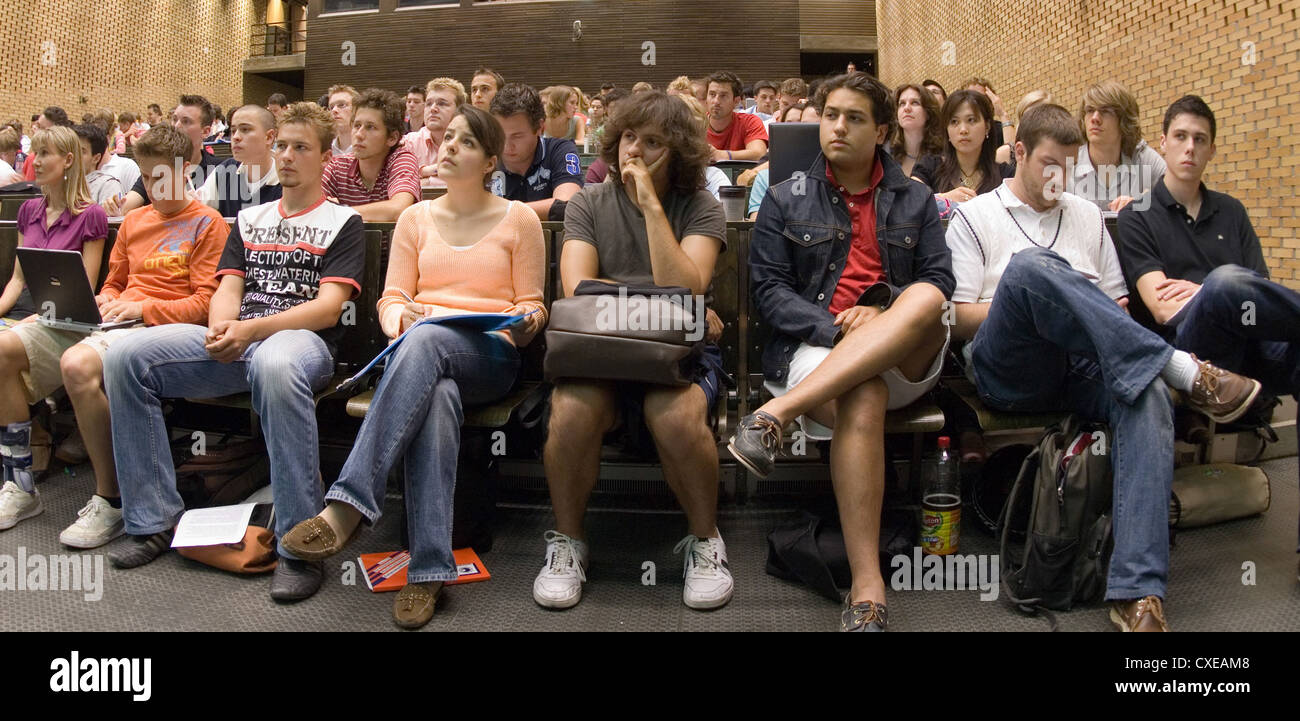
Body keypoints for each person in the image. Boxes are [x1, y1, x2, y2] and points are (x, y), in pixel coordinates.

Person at [945, 103, 1262, 632]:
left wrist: (1079, 308)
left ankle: (1137, 592)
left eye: (1070, 167)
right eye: (1049, 164)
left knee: (1146, 396)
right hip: (1010, 366)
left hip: (1088, 361)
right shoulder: (974, 216)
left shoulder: (1087, 215)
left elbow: (1117, 306)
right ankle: (1184, 369)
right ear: (1018, 152)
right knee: (1029, 270)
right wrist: (1043, 298)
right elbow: (955, 318)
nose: (1059, 179)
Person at [281, 105, 546, 628]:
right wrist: (403, 317)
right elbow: (392, 299)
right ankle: (427, 572)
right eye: (447, 139)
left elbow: (533, 305)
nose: (448, 148)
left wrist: (524, 321)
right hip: (423, 356)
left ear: (491, 159)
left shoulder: (519, 219)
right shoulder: (415, 218)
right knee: (437, 393)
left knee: (430, 345)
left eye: (466, 143)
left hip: (488, 355)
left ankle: (349, 505)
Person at [102, 101, 366, 602]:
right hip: (240, 340)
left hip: (301, 345)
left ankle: (297, 543)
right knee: (125, 357)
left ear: (326, 156)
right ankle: (153, 519)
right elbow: (228, 287)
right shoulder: (249, 218)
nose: (287, 156)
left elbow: (328, 309)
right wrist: (224, 326)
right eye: (282, 145)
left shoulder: (342, 221)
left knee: (273, 359)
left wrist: (250, 331)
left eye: (301, 147)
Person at [730, 73, 953, 631]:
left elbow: (939, 282)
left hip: (907, 354)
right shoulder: (785, 198)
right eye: (831, 114)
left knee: (924, 296)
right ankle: (867, 586)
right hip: (816, 351)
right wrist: (836, 329)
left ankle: (771, 417)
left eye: (854, 118)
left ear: (881, 131)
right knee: (863, 390)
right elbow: (771, 296)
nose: (837, 126)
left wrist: (883, 313)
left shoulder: (918, 198)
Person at [534, 90, 731, 612]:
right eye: (627, 137)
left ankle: (706, 540)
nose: (634, 151)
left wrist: (649, 205)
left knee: (675, 414)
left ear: (679, 151)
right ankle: (568, 543)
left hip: (673, 354)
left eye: (652, 142)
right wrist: (663, 306)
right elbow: (578, 288)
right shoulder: (589, 202)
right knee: (572, 410)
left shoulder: (701, 207)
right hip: (600, 348)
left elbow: (687, 286)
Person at [0, 124, 226, 545]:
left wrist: (140, 308)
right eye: (148, 176)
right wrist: (105, 302)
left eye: (164, 175)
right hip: (116, 322)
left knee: (77, 364)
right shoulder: (135, 221)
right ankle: (21, 486)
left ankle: (111, 498)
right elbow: (114, 283)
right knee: (5, 350)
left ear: (186, 171)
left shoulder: (208, 223)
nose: (156, 186)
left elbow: (204, 305)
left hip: (163, 328)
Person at [1115, 96, 1299, 578]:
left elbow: (1264, 297)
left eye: (1200, 140)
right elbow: (1160, 304)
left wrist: (1207, 287)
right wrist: (1213, 290)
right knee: (1224, 284)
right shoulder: (1139, 214)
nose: (1190, 148)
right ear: (1163, 143)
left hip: (1252, 356)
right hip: (1192, 357)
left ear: (1212, 150)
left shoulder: (1231, 212)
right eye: (1181, 137)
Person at [0, 126, 107, 524]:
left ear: (67, 162)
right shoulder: (28, 210)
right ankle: (19, 482)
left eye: (46, 153)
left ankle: (21, 484)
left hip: (70, 325)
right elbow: (17, 280)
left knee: (3, 352)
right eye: (35, 153)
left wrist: (40, 315)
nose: (37, 160)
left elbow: (86, 289)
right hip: (34, 318)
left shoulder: (90, 216)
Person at [105, 96, 223, 216]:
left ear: (206, 131)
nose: (176, 126)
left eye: (186, 121)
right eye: (174, 119)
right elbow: (127, 205)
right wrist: (114, 207)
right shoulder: (156, 166)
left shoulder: (220, 170)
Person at [321, 88, 420, 222]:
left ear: (392, 138)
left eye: (370, 127)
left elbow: (398, 209)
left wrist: (338, 211)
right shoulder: (337, 165)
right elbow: (313, 208)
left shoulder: (402, 159)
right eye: (356, 126)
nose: (359, 134)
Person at [490, 83, 582, 221]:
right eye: (499, 135)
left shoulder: (561, 150)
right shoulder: (484, 158)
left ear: (540, 127)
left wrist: (500, 213)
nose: (507, 146)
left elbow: (566, 204)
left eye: (517, 136)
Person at [1072, 80, 1166, 211]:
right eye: (1090, 110)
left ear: (1124, 119)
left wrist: (1143, 203)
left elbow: (1179, 196)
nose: (1095, 118)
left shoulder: (1142, 157)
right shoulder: (1070, 160)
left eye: (1105, 111)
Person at [912, 90, 1011, 207]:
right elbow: (909, 201)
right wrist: (943, 199)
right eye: (954, 122)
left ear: (987, 127)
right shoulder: (929, 167)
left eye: (971, 120)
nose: (963, 129)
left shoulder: (1005, 175)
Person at [198, 105, 282, 218]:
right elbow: (196, 210)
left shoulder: (289, 177)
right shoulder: (225, 171)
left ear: (269, 137)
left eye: (245, 129)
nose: (236, 137)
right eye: (233, 131)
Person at [402, 77, 464, 189]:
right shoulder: (409, 142)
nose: (433, 109)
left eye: (442, 104)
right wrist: (428, 173)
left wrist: (427, 181)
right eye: (429, 103)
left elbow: (468, 183)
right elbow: (398, 181)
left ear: (459, 110)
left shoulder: (470, 143)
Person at [705, 71, 768, 162]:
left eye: (723, 96)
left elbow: (759, 153)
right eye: (712, 94)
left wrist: (724, 155)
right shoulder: (694, 123)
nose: (716, 101)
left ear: (736, 101)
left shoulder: (749, 122)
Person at [889, 83, 944, 178]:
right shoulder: (888, 156)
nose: (906, 108)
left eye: (915, 103)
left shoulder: (944, 156)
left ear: (928, 113)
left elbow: (964, 183)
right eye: (902, 104)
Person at [996, 89, 1053, 167]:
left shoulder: (1062, 152)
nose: (1033, 123)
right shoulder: (1006, 154)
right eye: (1027, 117)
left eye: (1041, 117)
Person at [73, 124, 123, 205]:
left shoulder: (108, 185)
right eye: (72, 149)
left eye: (81, 151)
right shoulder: (63, 181)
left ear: (96, 158)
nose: (74, 155)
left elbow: (110, 216)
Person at [962, 76, 1015, 148]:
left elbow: (1013, 155)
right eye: (971, 97)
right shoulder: (957, 132)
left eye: (982, 98)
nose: (976, 102)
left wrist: (1002, 114)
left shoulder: (1001, 131)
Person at [326, 84, 360, 156]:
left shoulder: (368, 148)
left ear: (356, 109)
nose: (334, 110)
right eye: (331, 107)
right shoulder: (325, 150)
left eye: (341, 105)